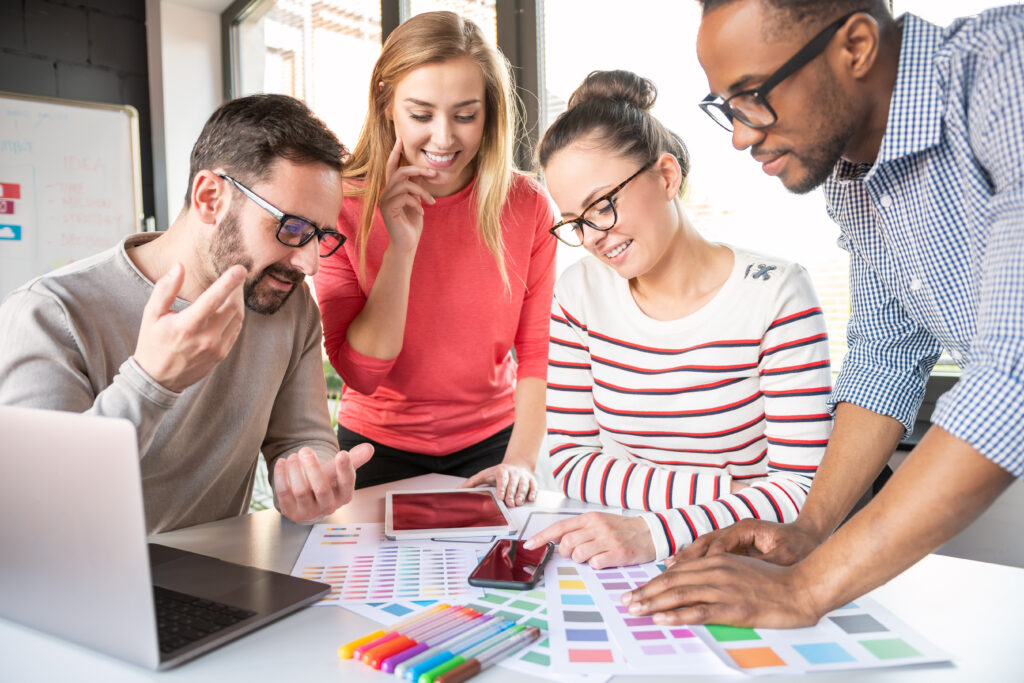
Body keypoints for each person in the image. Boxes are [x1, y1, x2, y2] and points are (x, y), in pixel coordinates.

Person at [624, 0, 1021, 628]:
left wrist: (805, 590)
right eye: (726, 106)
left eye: (752, 95)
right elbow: (885, 356)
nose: (741, 134)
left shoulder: (1007, 67)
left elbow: (1012, 371)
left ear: (857, 46)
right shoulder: (853, 176)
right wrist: (806, 531)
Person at [0, 94, 373, 534]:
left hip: (220, 579)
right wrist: (150, 382)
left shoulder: (288, 306)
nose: (309, 263)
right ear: (210, 197)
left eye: (321, 237)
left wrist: (311, 475)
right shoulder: (51, 314)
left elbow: (301, 438)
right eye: (292, 229)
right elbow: (34, 512)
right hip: (85, 589)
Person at [522, 70, 832, 568]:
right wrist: (730, 490)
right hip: (617, 549)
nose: (594, 236)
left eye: (602, 206)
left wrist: (656, 529)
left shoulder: (776, 294)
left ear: (666, 176)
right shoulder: (579, 293)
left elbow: (804, 489)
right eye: (576, 221)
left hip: (744, 559)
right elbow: (569, 462)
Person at [314, 11, 556, 507]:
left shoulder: (527, 205)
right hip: (372, 450)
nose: (444, 139)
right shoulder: (341, 206)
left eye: (465, 115)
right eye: (421, 115)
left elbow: (537, 352)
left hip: (493, 447)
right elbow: (360, 374)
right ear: (387, 105)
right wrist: (401, 250)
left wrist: (521, 461)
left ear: (489, 112)